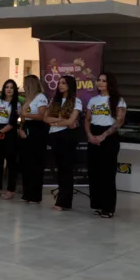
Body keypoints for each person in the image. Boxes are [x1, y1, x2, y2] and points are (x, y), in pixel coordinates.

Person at [85, 73, 125, 218]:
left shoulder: (118, 101)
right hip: (94, 134)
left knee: (107, 173)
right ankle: (98, 204)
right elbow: (88, 119)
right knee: (94, 171)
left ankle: (108, 208)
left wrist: (104, 135)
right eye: (99, 80)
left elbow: (119, 121)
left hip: (109, 136)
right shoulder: (93, 100)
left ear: (110, 83)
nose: (100, 83)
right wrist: (89, 135)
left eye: (104, 81)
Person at [44, 75, 82, 211]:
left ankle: (64, 201)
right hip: (54, 136)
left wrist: (55, 121)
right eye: (59, 83)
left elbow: (70, 121)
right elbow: (45, 118)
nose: (60, 85)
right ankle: (61, 198)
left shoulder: (76, 101)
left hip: (67, 137)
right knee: (59, 169)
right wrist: (59, 120)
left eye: (64, 83)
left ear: (70, 85)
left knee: (66, 169)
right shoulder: (54, 100)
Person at [19, 75, 48, 204]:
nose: (23, 86)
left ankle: (35, 195)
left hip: (37, 131)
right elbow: (23, 118)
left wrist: (26, 114)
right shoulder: (27, 100)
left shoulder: (40, 98)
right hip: (27, 128)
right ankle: (27, 193)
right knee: (26, 162)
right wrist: (21, 128)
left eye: (25, 84)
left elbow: (42, 116)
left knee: (36, 163)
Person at [0, 79, 20, 199]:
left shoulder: (16, 104)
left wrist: (0, 132)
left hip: (9, 134)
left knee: (11, 163)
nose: (9, 89)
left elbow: (12, 123)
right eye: (7, 87)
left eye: (11, 87)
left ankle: (10, 190)